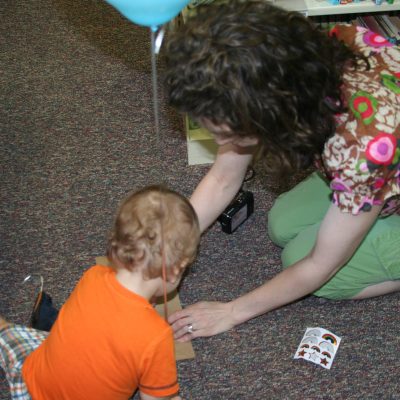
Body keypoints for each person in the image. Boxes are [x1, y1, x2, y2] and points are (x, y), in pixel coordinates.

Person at [164, 0, 400, 342]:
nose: (218, 141)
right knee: (282, 223)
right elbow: (222, 178)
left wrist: (232, 311)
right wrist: (170, 246)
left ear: (267, 114)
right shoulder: (296, 63)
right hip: (376, 169)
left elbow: (322, 265)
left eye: (223, 133)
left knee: (313, 268)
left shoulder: (360, 152)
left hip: (375, 160)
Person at [0, 185, 200, 400]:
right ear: (175, 271)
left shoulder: (94, 275)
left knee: (16, 335)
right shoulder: (155, 337)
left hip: (32, 378)